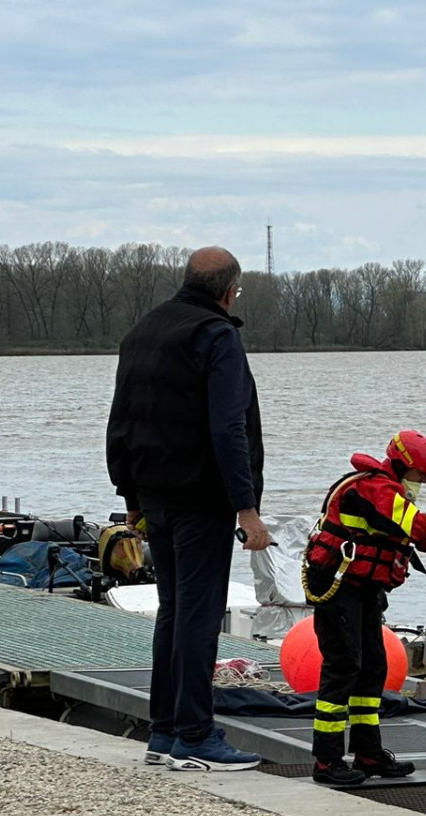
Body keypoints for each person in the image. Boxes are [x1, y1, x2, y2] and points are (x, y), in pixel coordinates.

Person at [107, 246, 269, 772]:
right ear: (229, 291)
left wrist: (131, 497)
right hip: (202, 500)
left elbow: (122, 419)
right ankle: (197, 736)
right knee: (197, 616)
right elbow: (228, 427)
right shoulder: (216, 336)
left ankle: (165, 731)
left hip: (156, 495)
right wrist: (246, 509)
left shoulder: (144, 331)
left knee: (174, 612)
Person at [300, 430, 426, 785]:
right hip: (339, 586)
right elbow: (416, 525)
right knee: (344, 666)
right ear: (403, 465)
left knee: (372, 667)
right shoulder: (374, 488)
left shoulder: (389, 492)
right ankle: (327, 760)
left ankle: (367, 752)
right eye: (421, 474)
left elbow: (398, 532)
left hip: (364, 589)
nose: (424, 481)